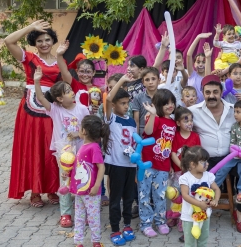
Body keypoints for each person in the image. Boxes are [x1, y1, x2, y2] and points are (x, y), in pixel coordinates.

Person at [4, 20, 63, 204]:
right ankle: (35, 191)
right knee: (33, 147)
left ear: (53, 41)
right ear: (34, 43)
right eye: (39, 41)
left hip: (52, 107)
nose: (44, 43)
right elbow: (8, 41)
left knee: (51, 147)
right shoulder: (28, 58)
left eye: (47, 39)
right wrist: (30, 27)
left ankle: (52, 188)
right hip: (30, 109)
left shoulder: (60, 59)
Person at [189, 74, 241, 233]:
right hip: (206, 160)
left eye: (215, 92)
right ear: (202, 92)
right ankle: (196, 220)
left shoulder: (234, 109)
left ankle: (240, 216)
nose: (211, 96)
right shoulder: (193, 111)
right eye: (207, 92)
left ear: (221, 91)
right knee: (197, 183)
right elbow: (175, 122)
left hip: (233, 158)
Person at [33, 67, 90, 223]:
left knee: (81, 181)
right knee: (65, 182)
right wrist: (37, 81)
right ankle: (66, 214)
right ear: (59, 98)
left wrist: (79, 134)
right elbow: (40, 98)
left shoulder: (82, 109)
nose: (72, 92)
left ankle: (82, 212)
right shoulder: (55, 110)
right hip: (64, 154)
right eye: (67, 91)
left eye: (71, 89)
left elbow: (89, 128)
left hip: (81, 151)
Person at [101, 74, 138, 245]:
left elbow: (135, 142)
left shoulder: (131, 122)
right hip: (116, 165)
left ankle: (127, 225)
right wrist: (122, 81)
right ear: (114, 105)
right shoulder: (111, 119)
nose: (126, 106)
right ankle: (115, 228)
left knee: (129, 198)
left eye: (127, 103)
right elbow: (108, 98)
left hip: (130, 165)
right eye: (122, 103)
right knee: (115, 199)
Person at [140, 89, 178, 237]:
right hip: (147, 163)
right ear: (158, 105)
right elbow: (148, 132)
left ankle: (161, 221)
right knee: (144, 195)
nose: (170, 105)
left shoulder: (173, 123)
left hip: (163, 165)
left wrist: (169, 165)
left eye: (172, 102)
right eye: (166, 103)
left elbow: (170, 145)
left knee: (160, 195)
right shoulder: (153, 117)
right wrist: (153, 114)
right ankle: (146, 224)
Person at [66, 115, 107, 247]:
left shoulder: (94, 147)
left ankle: (96, 241)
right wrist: (67, 174)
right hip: (80, 191)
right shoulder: (83, 147)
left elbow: (101, 167)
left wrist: (96, 186)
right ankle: (78, 242)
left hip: (91, 192)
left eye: (80, 126)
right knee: (79, 217)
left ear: (84, 131)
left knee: (93, 218)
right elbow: (79, 167)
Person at [214, 99, 241, 205]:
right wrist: (233, 150)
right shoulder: (234, 126)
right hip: (233, 156)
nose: (235, 114)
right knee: (222, 168)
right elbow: (232, 142)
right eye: (234, 111)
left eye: (238, 112)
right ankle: (213, 188)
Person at [179, 146, 221, 247]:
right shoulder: (185, 178)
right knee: (190, 243)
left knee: (203, 241)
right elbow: (185, 195)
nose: (207, 163)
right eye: (203, 161)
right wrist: (199, 204)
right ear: (192, 164)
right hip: (189, 217)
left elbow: (216, 189)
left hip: (205, 216)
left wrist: (215, 200)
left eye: (207, 161)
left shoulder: (208, 175)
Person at [169, 106, 201, 236]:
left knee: (188, 196)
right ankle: (174, 216)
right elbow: (173, 153)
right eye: (185, 120)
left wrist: (192, 168)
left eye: (191, 120)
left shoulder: (195, 136)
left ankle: (184, 219)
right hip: (178, 172)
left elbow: (198, 153)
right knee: (176, 196)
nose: (189, 123)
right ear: (178, 123)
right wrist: (181, 166)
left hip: (191, 173)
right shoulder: (175, 136)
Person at [56, 42, 95, 110]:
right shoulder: (73, 84)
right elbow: (64, 72)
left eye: (88, 72)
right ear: (77, 71)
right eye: (82, 71)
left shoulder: (99, 89)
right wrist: (59, 55)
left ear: (93, 72)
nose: (85, 75)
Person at [131, 67, 161, 134]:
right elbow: (136, 120)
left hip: (160, 131)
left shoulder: (164, 96)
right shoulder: (138, 97)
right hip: (143, 132)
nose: (150, 82)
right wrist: (137, 137)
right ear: (143, 82)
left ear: (159, 80)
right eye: (147, 80)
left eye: (153, 79)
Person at [184, 34, 214, 102]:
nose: (201, 64)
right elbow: (189, 55)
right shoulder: (192, 74)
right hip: (191, 107)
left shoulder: (207, 76)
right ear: (194, 64)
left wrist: (208, 57)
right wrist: (198, 37)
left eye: (203, 62)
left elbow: (207, 74)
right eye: (198, 62)